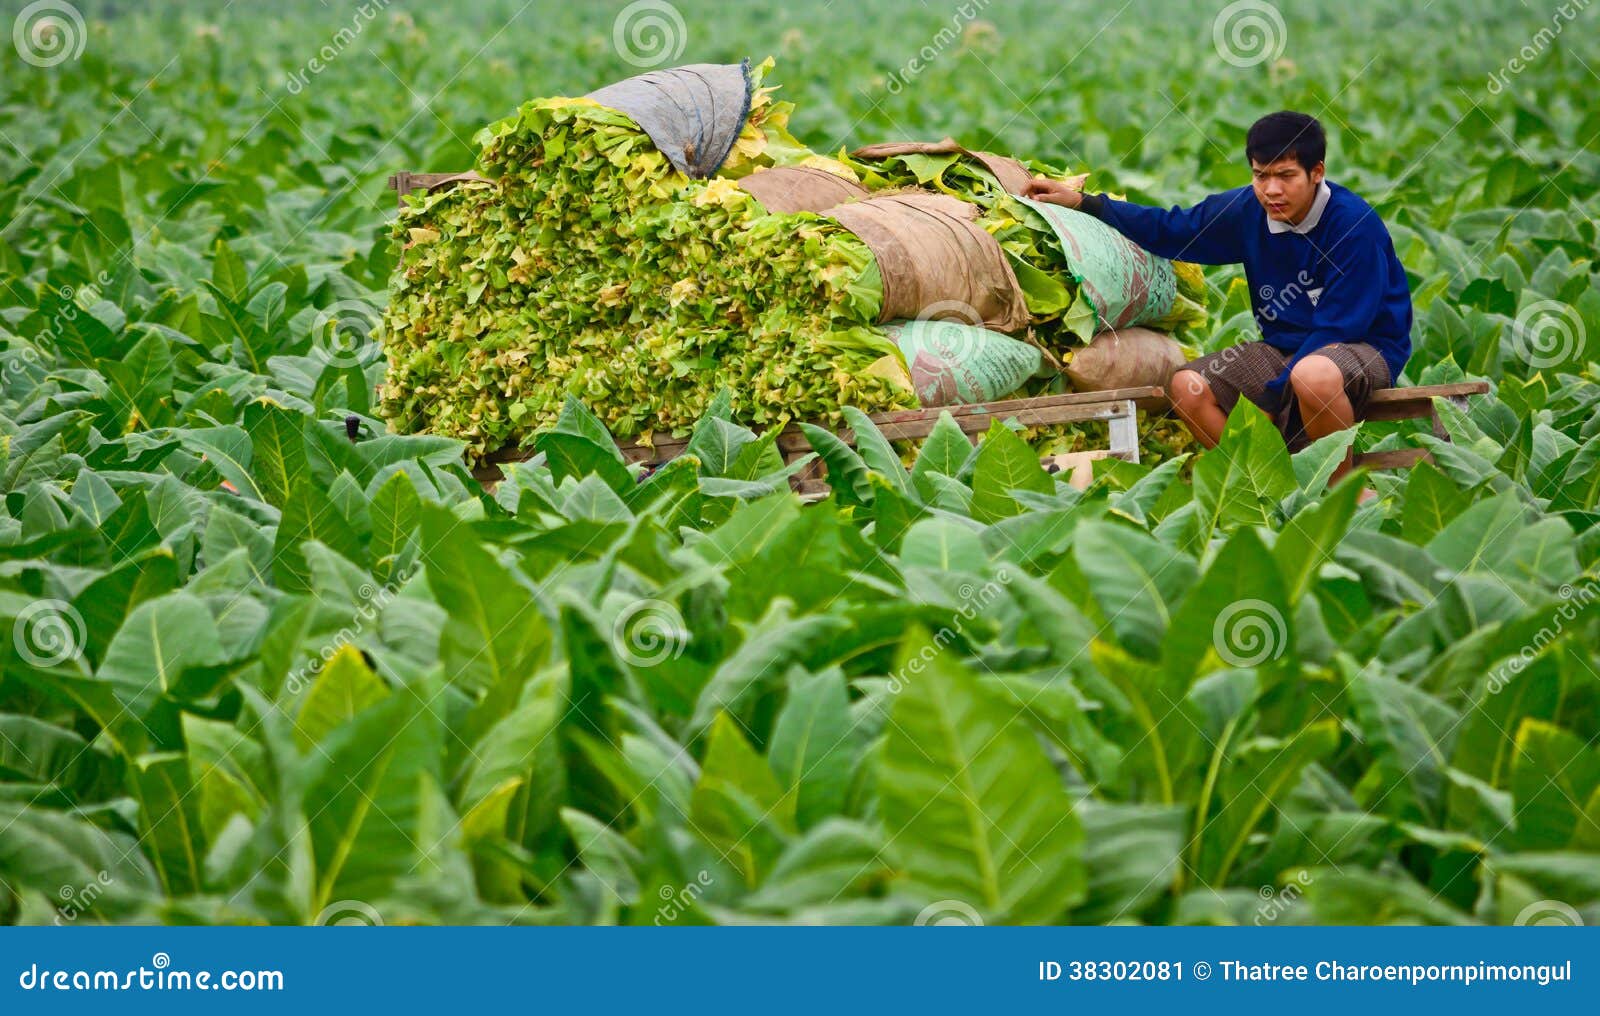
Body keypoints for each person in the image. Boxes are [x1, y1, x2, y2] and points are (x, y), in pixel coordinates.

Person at [1023, 111, 1412, 486]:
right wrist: (1087, 204)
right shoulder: (1248, 210)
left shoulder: (1352, 226)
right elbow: (1173, 229)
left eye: (1286, 176)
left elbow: (1339, 326)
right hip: (1285, 349)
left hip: (1361, 346)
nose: (1271, 190)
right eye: (1261, 176)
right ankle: (1267, 486)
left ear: (1317, 173)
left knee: (1312, 375)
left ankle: (1344, 491)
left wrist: (1274, 396)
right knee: (1187, 387)